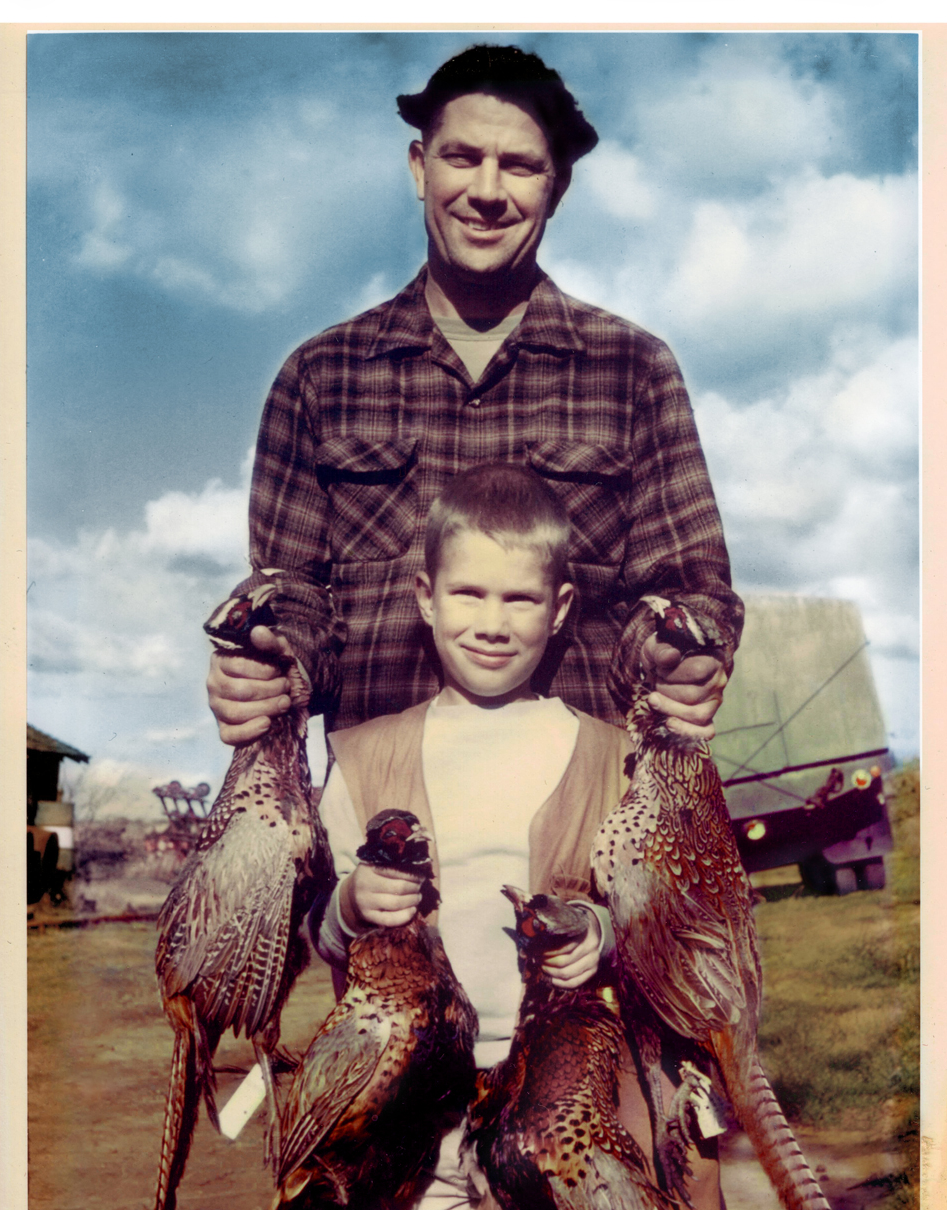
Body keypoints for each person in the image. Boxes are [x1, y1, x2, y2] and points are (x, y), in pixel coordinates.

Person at [206, 42, 744, 751]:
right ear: (419, 168)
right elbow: (295, 598)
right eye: (462, 158)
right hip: (379, 831)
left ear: (558, 187)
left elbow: (688, 589)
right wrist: (268, 664)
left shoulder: (636, 370)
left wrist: (680, 653)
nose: (488, 191)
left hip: (585, 820)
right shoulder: (319, 377)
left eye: (519, 165)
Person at [310, 464, 731, 1210]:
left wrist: (602, 934)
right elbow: (321, 933)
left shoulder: (616, 757)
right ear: (423, 596)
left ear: (564, 606)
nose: (493, 624)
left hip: (567, 1109)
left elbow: (662, 929)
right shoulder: (359, 756)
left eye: (521, 599)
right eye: (468, 593)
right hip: (409, 1117)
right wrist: (350, 906)